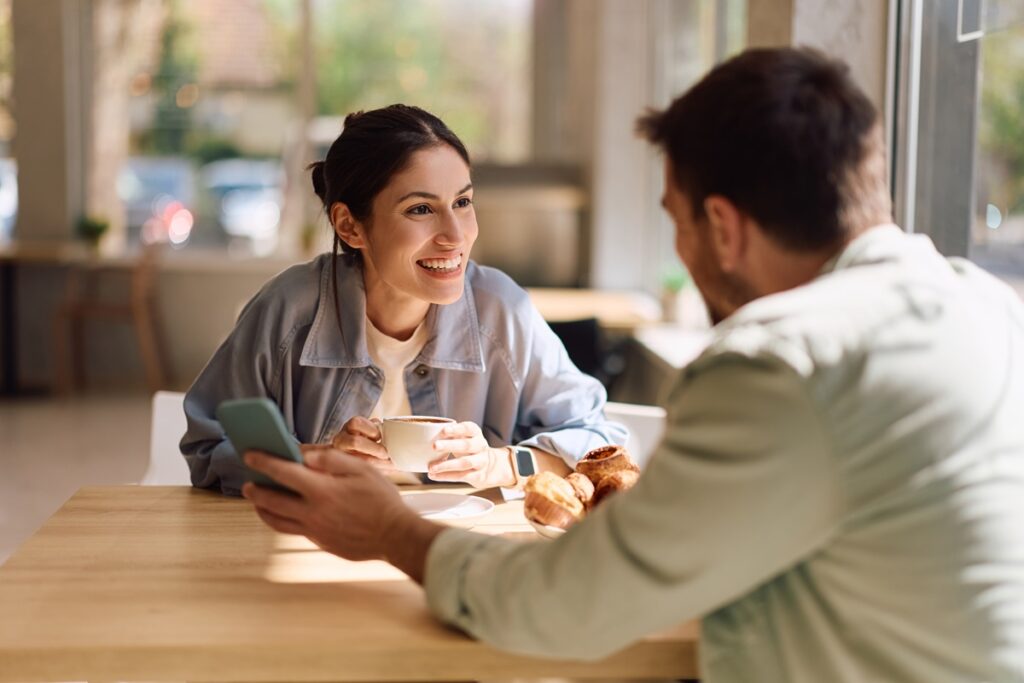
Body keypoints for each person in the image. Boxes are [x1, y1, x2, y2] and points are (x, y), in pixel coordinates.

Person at [239, 48, 1024, 682]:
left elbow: (568, 605)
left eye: (672, 222)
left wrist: (390, 530)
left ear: (721, 226)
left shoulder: (778, 366)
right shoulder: (991, 310)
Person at [181, 104, 626, 497]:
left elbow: (601, 441)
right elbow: (207, 447)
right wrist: (313, 461)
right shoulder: (288, 310)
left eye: (463, 201)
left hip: (454, 550)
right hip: (315, 546)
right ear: (350, 226)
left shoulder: (501, 312)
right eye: (421, 209)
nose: (456, 235)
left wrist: (499, 463)